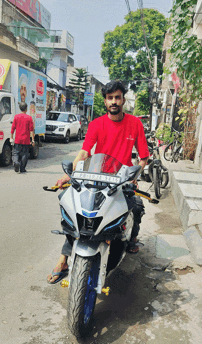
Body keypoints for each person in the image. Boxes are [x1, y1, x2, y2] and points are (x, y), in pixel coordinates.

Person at [47, 80, 149, 284]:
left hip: (122, 180)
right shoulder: (96, 124)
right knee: (76, 215)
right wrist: (71, 175)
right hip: (95, 178)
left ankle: (132, 239)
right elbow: (85, 152)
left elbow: (143, 158)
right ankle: (64, 259)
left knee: (136, 207)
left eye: (117, 97)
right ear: (105, 102)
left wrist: (134, 178)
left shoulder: (135, 124)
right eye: (110, 98)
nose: (114, 101)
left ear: (123, 99)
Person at [10, 102, 35, 173]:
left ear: (20, 108)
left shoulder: (16, 117)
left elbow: (13, 128)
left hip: (17, 139)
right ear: (26, 109)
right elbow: (31, 130)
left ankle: (16, 162)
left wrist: (11, 137)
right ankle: (22, 168)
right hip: (26, 140)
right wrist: (32, 140)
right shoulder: (29, 118)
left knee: (15, 153)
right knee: (25, 154)